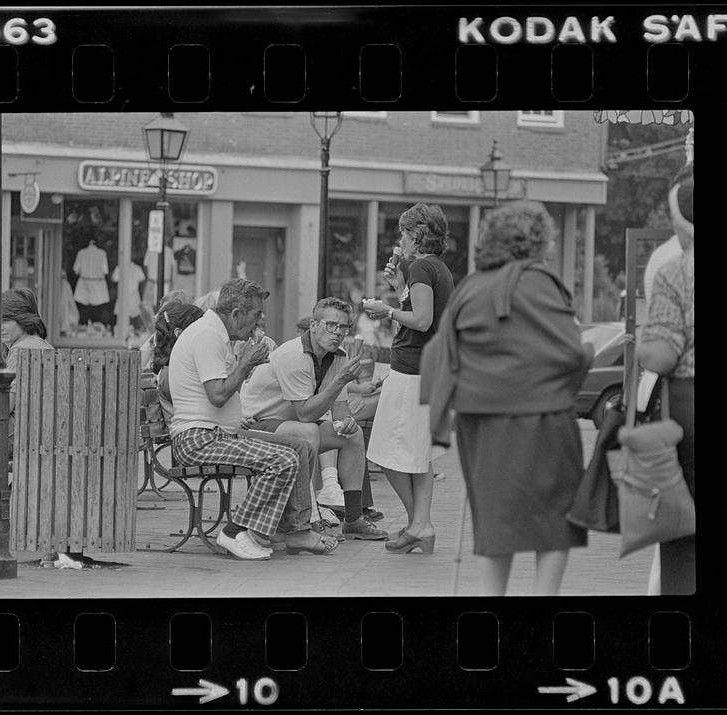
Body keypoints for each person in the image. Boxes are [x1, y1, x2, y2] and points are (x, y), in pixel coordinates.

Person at [431, 200, 592, 594]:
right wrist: (584, 361)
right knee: (554, 519)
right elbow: (571, 352)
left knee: (494, 518)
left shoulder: (470, 286)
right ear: (535, 240)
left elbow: (445, 354)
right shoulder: (541, 281)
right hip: (544, 418)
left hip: (481, 422)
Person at [169, 278, 337, 559]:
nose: (260, 322)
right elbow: (218, 395)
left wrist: (245, 364)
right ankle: (235, 531)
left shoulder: (216, 334)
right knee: (282, 460)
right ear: (235, 314)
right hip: (199, 438)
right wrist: (246, 362)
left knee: (300, 446)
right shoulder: (207, 336)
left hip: (218, 434)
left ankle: (295, 530)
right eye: (256, 314)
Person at [240, 297, 389, 540]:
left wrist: (347, 422)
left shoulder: (338, 355)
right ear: (313, 325)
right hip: (257, 425)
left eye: (343, 327)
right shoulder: (294, 355)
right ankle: (306, 518)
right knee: (307, 430)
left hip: (289, 426)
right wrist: (342, 379)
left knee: (352, 434)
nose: (338, 333)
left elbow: (340, 411)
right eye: (331, 325)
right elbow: (306, 413)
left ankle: (353, 518)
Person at [362, 203, 455, 554]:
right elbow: (422, 316)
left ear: (416, 235)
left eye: (403, 232)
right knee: (419, 454)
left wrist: (384, 309)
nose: (400, 238)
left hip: (411, 370)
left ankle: (420, 523)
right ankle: (421, 526)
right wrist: (400, 288)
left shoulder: (420, 266)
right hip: (428, 369)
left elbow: (421, 321)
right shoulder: (437, 268)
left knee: (386, 452)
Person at [637, 164, 694, 595]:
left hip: (687, 404)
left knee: (681, 529)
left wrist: (644, 345)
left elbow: (660, 354)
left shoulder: (675, 268)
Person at [1, 288, 54, 459]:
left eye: (6, 320)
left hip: (19, 438)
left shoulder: (20, 351)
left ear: (23, 319)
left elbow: (4, 408)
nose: (0, 327)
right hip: (42, 433)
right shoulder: (45, 346)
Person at [151, 301, 204, 423]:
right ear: (179, 334)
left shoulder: (173, 368)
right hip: (188, 434)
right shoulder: (171, 373)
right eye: (200, 331)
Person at [139, 289, 195, 370]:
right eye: (161, 312)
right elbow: (139, 364)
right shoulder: (155, 338)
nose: (161, 317)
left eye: (167, 314)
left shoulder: (186, 339)